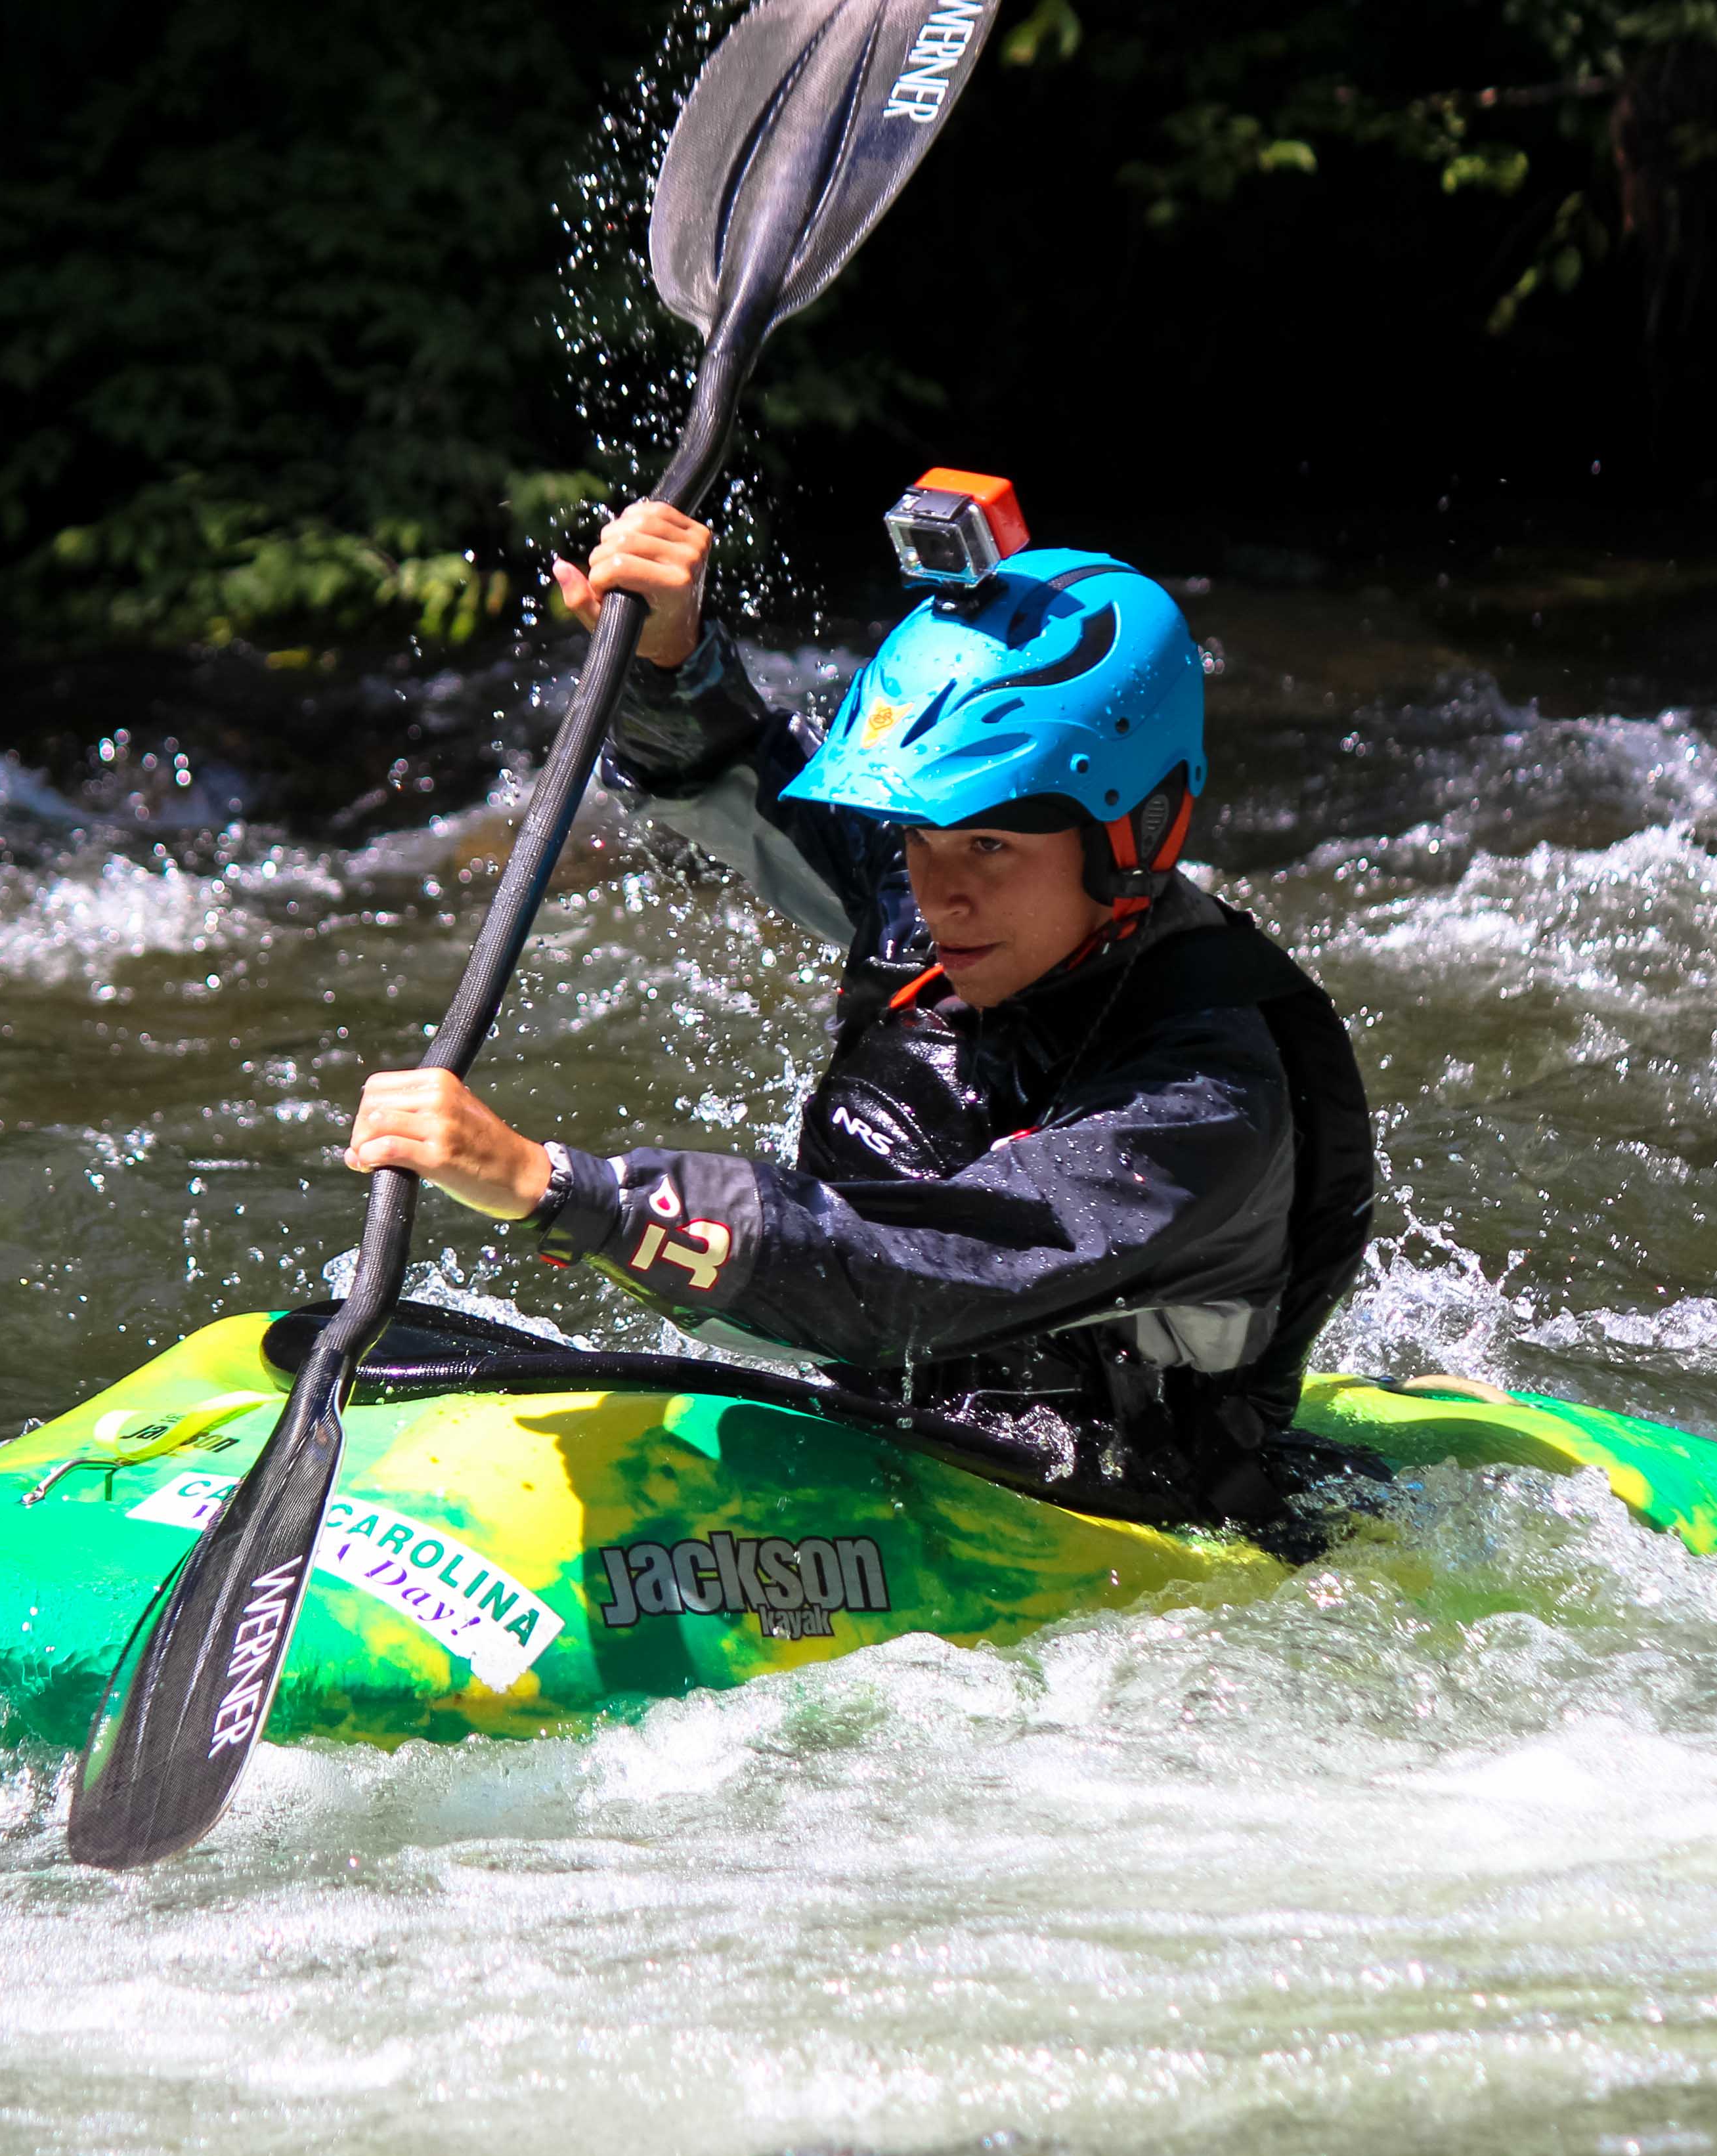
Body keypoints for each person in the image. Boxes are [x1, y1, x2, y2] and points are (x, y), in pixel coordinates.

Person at [341, 488, 1378, 1541]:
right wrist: (668, 659)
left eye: (988, 846)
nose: (936, 892)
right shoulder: (968, 904)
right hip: (908, 1418)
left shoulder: (1203, 1101)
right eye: (918, 836)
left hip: (1120, 1509)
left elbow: (921, 1271)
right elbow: (740, 781)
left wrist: (566, 1190)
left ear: (1138, 832)